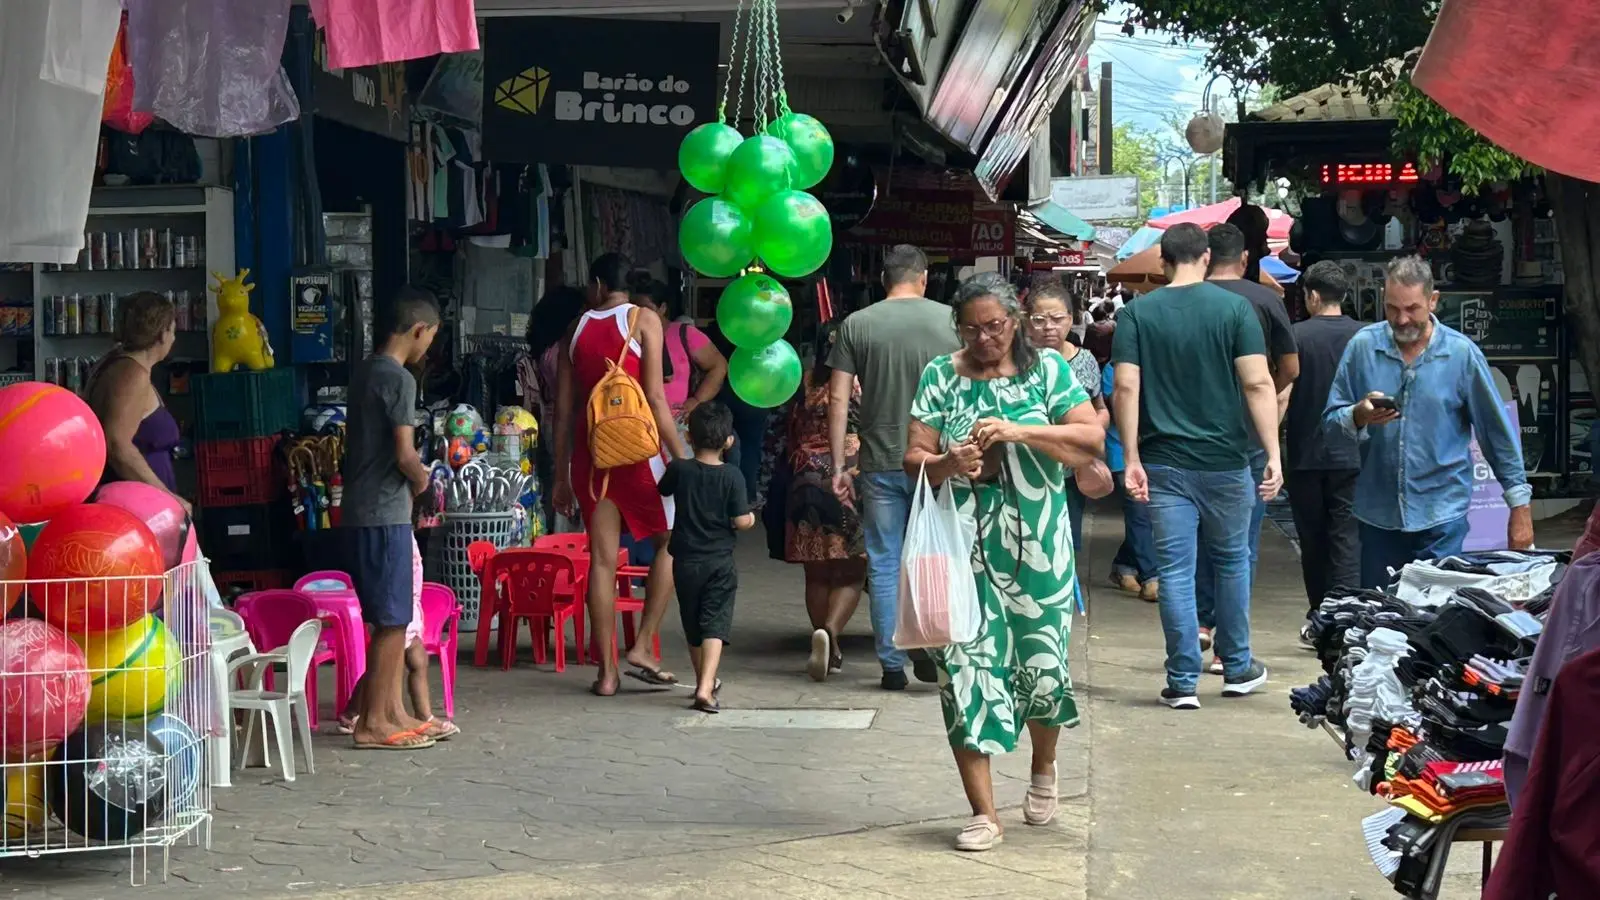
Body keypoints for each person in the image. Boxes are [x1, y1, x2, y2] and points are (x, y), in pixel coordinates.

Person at [903, 272, 1108, 852]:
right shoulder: (941, 374)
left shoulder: (1049, 371)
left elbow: (1090, 439)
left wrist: (1017, 431)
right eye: (971, 330)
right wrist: (947, 462)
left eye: (994, 326)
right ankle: (984, 813)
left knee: (1042, 667)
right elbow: (912, 456)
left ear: (1014, 321)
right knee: (963, 670)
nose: (984, 339)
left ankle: (1043, 766)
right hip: (961, 548)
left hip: (1039, 548)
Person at [1112, 223, 1282, 710]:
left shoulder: (1138, 313)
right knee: (1232, 562)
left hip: (1163, 463)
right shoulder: (1234, 310)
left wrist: (1132, 457)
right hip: (1227, 461)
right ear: (1206, 257)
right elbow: (1257, 384)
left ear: (1163, 262)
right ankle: (1237, 666)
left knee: (1175, 571)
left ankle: (1182, 679)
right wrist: (1272, 452)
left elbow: (1126, 387)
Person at [1323, 255, 1534, 587]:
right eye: (1392, 309)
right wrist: (1358, 415)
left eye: (1412, 309)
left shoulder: (1461, 355)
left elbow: (1496, 434)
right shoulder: (1362, 348)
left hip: (1442, 517)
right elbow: (1330, 424)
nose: (1402, 319)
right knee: (1381, 613)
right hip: (1378, 517)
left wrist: (1519, 508)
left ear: (1433, 300)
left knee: (1434, 612)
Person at [553, 253, 688, 697]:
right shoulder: (644, 319)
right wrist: (681, 457)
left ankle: (606, 674)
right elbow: (655, 397)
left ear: (597, 284)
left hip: (591, 455)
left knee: (602, 561)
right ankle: (643, 644)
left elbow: (563, 411)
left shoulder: (574, 329)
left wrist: (560, 475)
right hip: (638, 453)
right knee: (671, 541)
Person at [828, 244, 961, 691]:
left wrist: (839, 464)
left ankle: (891, 664)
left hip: (879, 461)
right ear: (923, 278)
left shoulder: (857, 324)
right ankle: (935, 646)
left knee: (884, 561)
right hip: (938, 461)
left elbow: (838, 398)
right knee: (936, 555)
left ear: (883, 280)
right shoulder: (952, 320)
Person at [1194, 223, 1299, 673]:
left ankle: (1200, 621)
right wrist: (1264, 395)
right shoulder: (1265, 300)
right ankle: (1228, 646)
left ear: (1204, 258)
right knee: (1241, 543)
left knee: (1197, 535)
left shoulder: (1183, 300)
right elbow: (1290, 367)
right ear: (1244, 259)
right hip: (1249, 437)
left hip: (1192, 434)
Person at [342, 286, 440, 751]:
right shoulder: (400, 379)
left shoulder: (365, 372)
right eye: (431, 337)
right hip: (384, 511)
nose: (429, 347)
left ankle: (394, 712)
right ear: (418, 330)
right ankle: (373, 723)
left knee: (392, 618)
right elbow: (404, 454)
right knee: (392, 621)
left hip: (364, 509)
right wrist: (425, 484)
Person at [1282, 261, 1365, 623]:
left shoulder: (1295, 336)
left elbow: (1282, 393)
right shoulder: (1365, 336)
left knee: (1312, 539)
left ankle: (1320, 612)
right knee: (1347, 536)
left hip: (1306, 453)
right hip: (1354, 451)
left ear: (1313, 296)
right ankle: (1345, 613)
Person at [658, 402, 754, 713]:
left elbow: (663, 490)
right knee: (715, 623)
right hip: (719, 562)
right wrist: (751, 519)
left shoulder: (680, 470)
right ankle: (705, 687)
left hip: (685, 561)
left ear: (688, 436)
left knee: (693, 622)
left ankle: (703, 679)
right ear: (729, 441)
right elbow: (740, 520)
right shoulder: (732, 476)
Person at [784, 320, 866, 682]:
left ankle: (821, 637)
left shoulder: (804, 381)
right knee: (852, 567)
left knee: (815, 569)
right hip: (849, 475)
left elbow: (790, 430)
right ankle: (831, 632)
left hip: (804, 478)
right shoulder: (860, 381)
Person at [1024, 281, 1110, 591]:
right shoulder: (1017, 361)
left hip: (1071, 470)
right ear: (1026, 321)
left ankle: (1059, 593)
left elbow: (1100, 406)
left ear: (1071, 319)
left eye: (1057, 318)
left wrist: (1094, 429)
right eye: (1039, 319)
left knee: (1067, 538)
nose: (1049, 327)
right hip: (1029, 469)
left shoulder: (1085, 360)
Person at [84, 290, 189, 512]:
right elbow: (117, 445)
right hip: (135, 507)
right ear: (162, 334)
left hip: (138, 502)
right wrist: (168, 497)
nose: (174, 338)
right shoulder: (132, 374)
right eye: (172, 330)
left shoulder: (118, 363)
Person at [524, 286, 587, 533]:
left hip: (552, 422)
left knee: (561, 478)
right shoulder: (561, 351)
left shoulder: (546, 350)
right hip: (565, 424)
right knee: (570, 483)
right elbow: (569, 396)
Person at [628, 272, 728, 421]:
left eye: (646, 309)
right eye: (635, 309)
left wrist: (697, 400)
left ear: (662, 308)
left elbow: (719, 365)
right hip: (638, 422)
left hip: (678, 421)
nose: (640, 315)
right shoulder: (626, 336)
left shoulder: (684, 334)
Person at [1103, 358, 1159, 601]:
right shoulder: (1113, 369)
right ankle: (1151, 577)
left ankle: (1124, 564)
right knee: (1140, 512)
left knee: (1150, 516)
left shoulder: (1159, 364)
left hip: (1156, 451)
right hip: (1122, 453)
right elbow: (1119, 408)